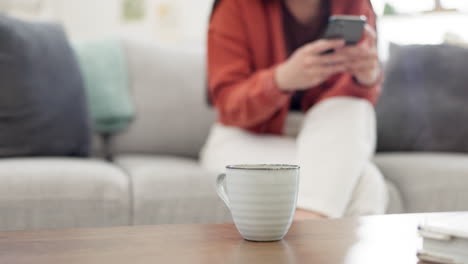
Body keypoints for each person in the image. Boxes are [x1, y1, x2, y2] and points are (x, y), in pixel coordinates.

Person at [200, 0, 388, 219]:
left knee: (353, 107)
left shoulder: (355, 4)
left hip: (325, 136)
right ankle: (308, 235)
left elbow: (356, 111)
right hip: (245, 136)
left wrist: (367, 79)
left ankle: (301, 236)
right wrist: (280, 80)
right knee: (367, 182)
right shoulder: (235, 6)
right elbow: (227, 103)